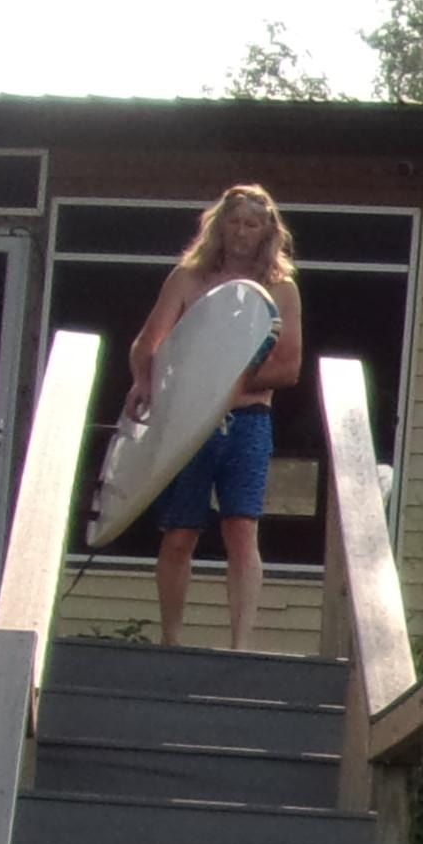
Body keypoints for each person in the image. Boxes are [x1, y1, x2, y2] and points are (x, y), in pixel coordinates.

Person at [130, 186, 305, 653]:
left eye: (252, 225)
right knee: (180, 532)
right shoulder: (189, 279)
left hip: (248, 421)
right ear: (219, 226)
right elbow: (148, 343)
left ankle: (240, 644)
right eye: (234, 223)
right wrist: (145, 381)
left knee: (241, 527)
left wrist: (229, 385)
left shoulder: (281, 288)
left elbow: (288, 367)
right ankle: (171, 640)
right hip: (188, 422)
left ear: (267, 231)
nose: (242, 233)